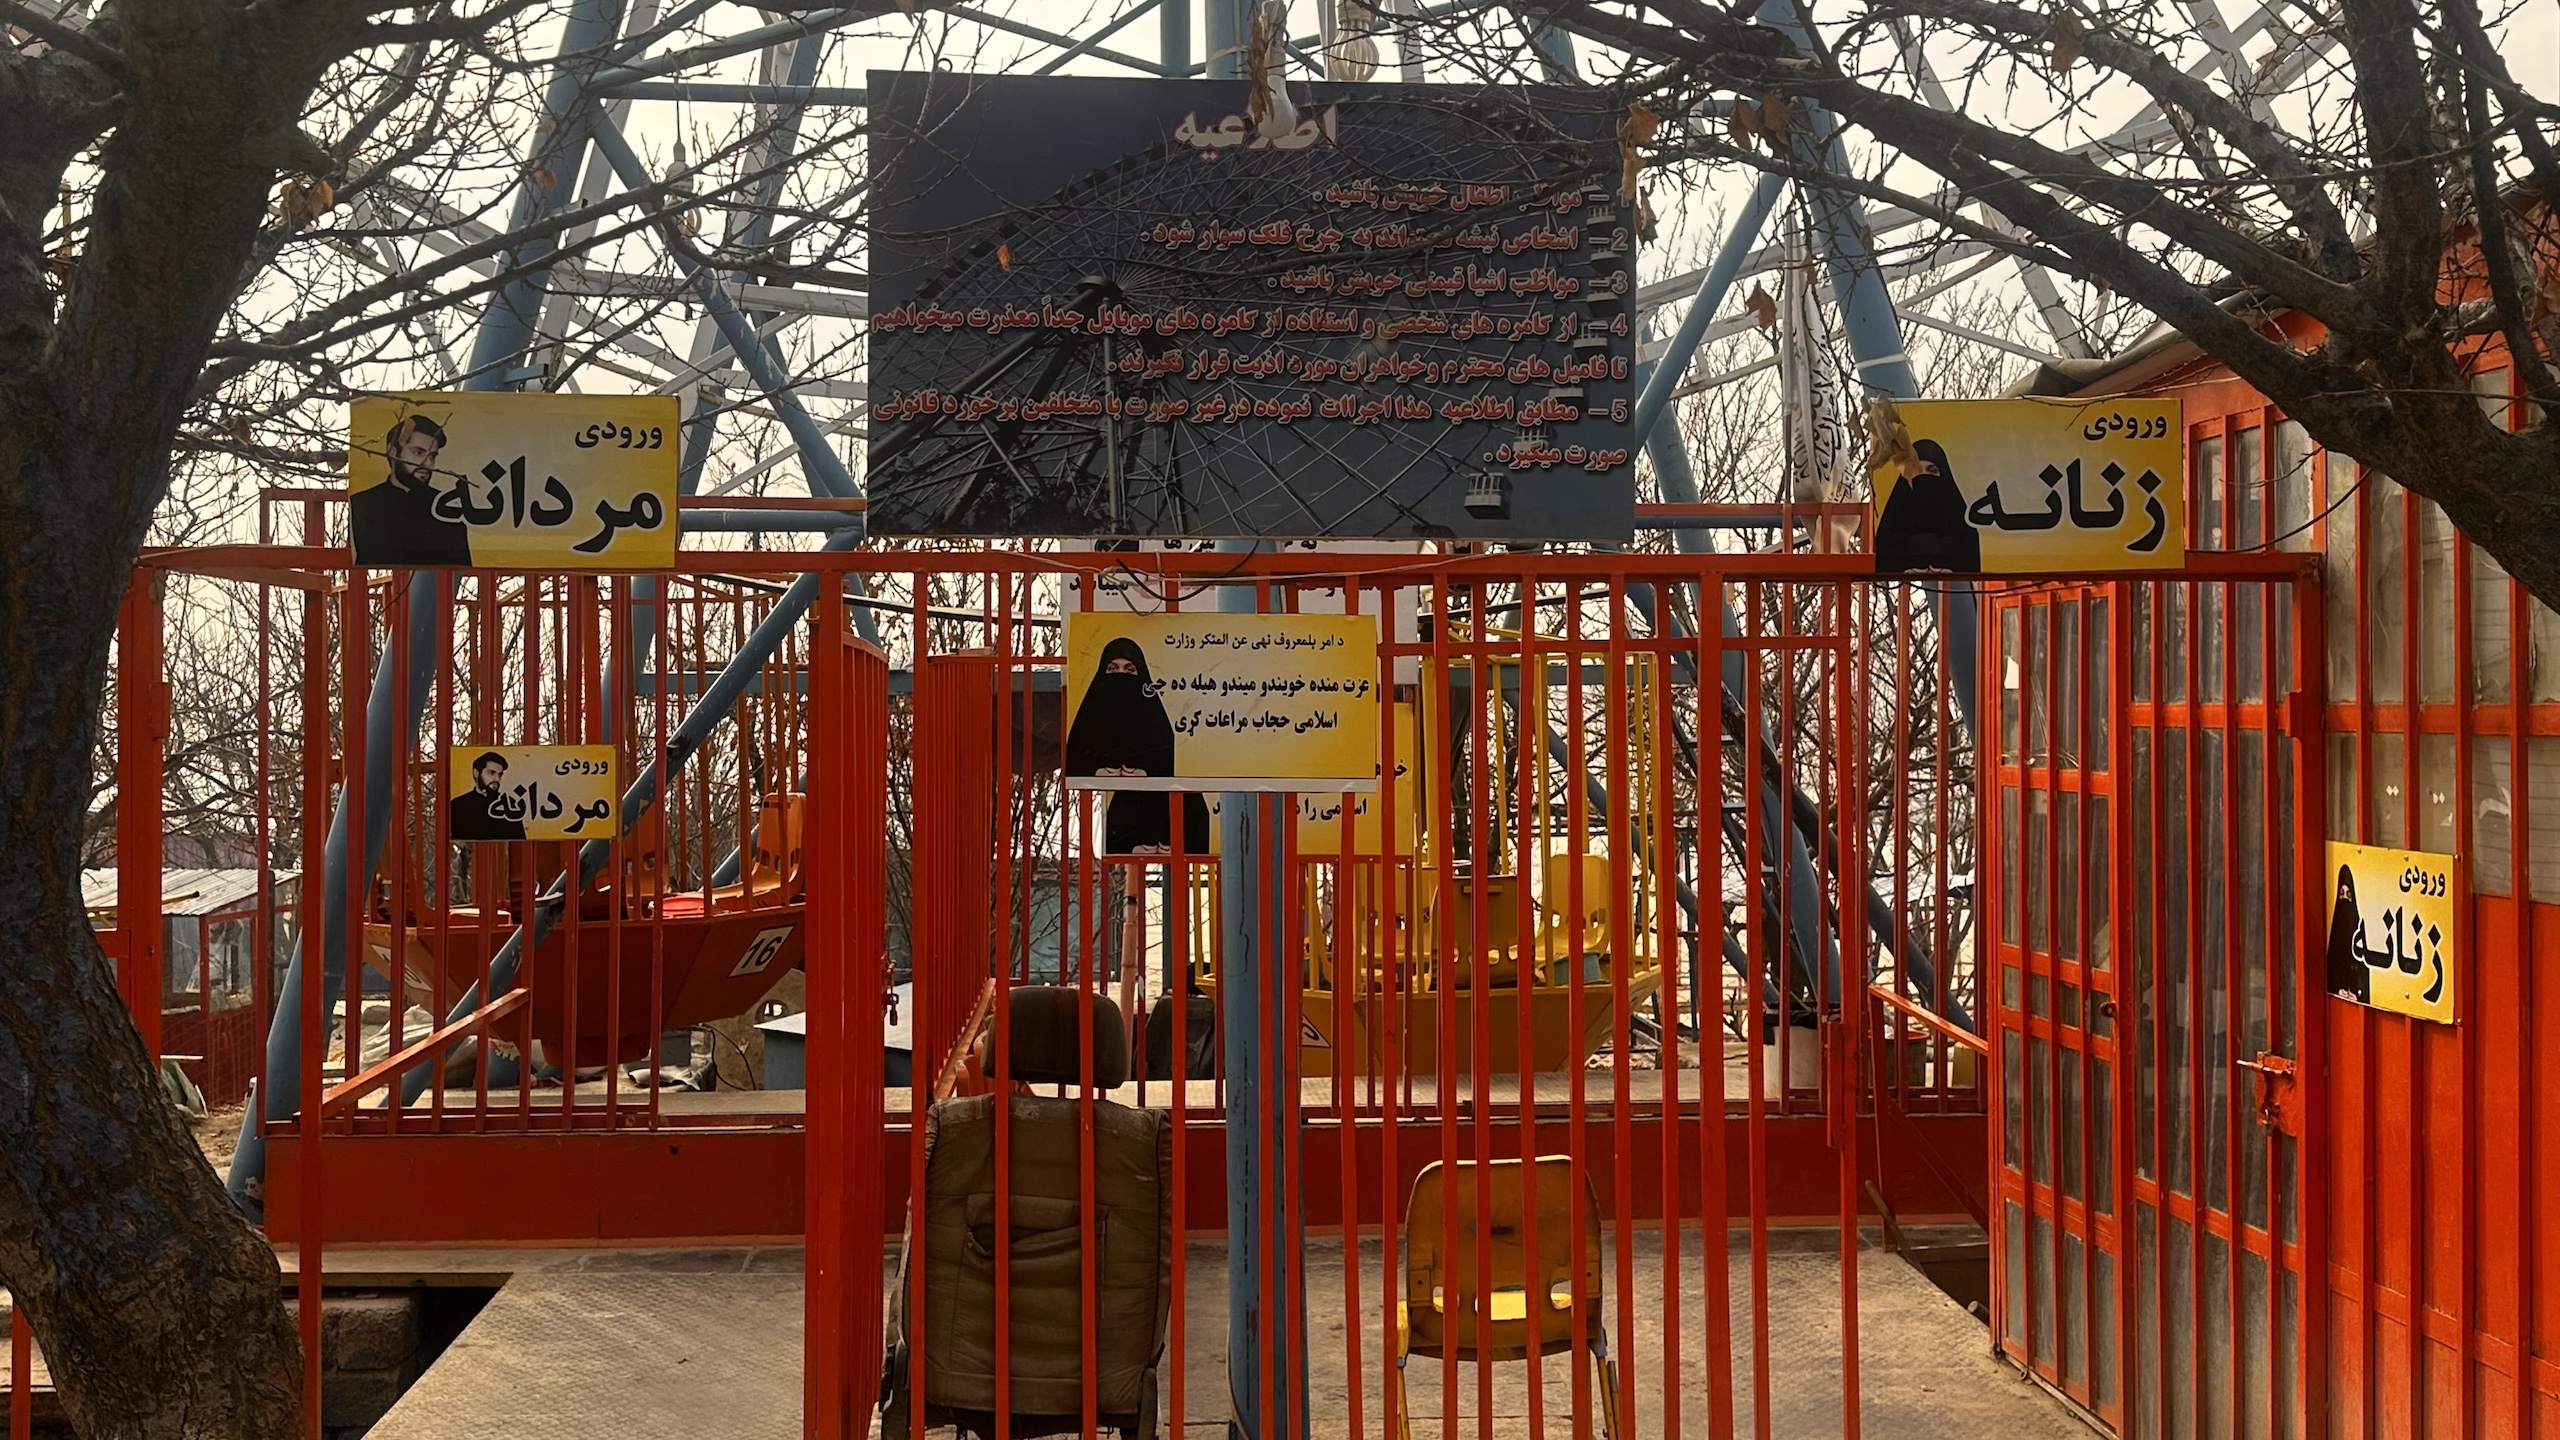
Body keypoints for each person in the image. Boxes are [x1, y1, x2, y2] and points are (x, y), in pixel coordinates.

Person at [1063, 636, 1210, 854]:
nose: (1121, 676)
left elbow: (1163, 769)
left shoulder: (1156, 724)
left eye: (1130, 669)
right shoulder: (1090, 719)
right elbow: (1077, 762)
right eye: (1112, 669)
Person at [351, 415, 475, 567]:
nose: (427, 464)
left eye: (432, 456)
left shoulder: (448, 508)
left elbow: (461, 569)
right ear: (392, 452)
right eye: (418, 453)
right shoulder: (363, 504)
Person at [1873, 437, 1982, 574]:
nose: (1924, 478)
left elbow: (1967, 554)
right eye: (1917, 471)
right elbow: (1887, 552)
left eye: (1932, 471)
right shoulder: (1890, 529)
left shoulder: (1964, 532)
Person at [451, 751, 527, 842]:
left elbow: (520, 843)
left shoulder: (510, 804)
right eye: (491, 773)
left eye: (500, 774)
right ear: (476, 773)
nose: (497, 779)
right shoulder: (458, 805)